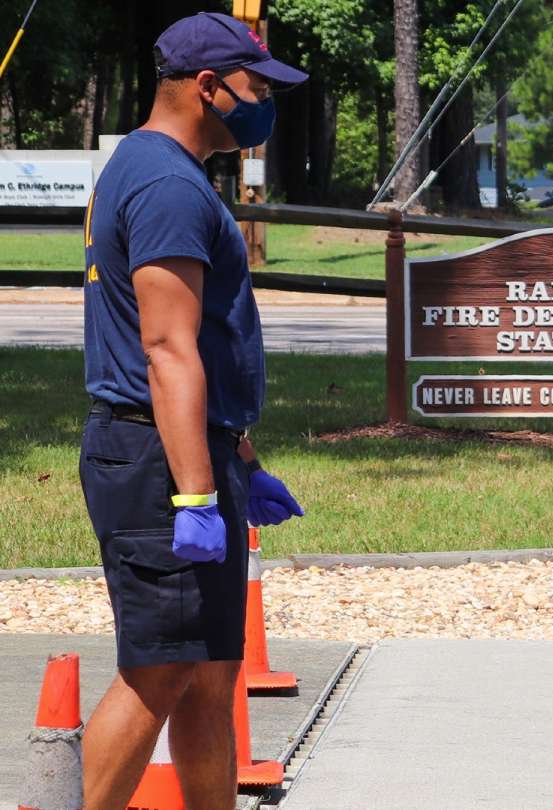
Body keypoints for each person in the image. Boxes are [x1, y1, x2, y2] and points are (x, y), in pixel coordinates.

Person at [78, 12, 308, 808]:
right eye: (256, 86)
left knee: (211, 677)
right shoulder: (171, 186)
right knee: (159, 673)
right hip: (156, 464)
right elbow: (169, 349)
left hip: (185, 452)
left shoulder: (149, 166)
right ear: (208, 87)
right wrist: (196, 495)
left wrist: (239, 459)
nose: (265, 103)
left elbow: (200, 347)